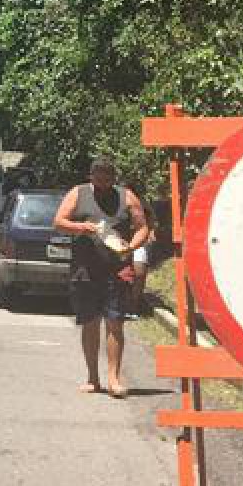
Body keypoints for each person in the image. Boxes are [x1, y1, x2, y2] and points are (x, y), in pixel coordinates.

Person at [55, 155, 152, 399]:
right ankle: (92, 378)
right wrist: (82, 227)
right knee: (89, 323)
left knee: (115, 322)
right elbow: (58, 221)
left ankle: (113, 379)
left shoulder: (126, 196)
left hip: (116, 270)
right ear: (91, 176)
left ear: (113, 177)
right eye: (98, 176)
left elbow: (143, 226)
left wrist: (131, 247)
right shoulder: (78, 193)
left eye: (107, 176)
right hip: (85, 269)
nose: (103, 181)